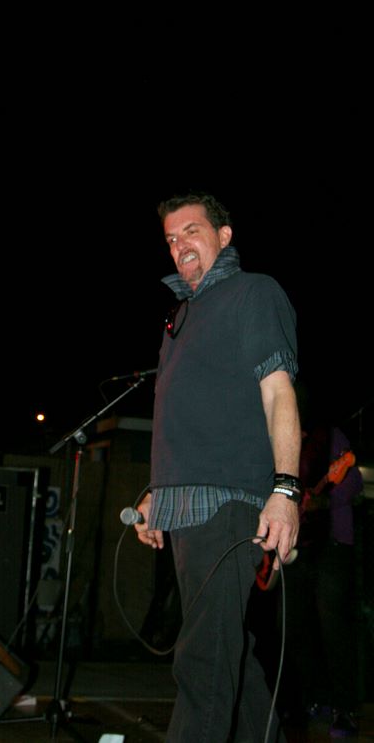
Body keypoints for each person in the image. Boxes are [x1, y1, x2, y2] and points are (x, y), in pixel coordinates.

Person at [134, 191, 302, 743]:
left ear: (223, 236)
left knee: (204, 659)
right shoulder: (180, 317)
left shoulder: (254, 292)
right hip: (183, 505)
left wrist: (286, 490)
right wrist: (155, 492)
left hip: (227, 501)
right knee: (228, 654)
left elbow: (278, 393)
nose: (179, 245)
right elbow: (181, 415)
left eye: (192, 231)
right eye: (171, 238)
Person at [278, 418, 363, 737]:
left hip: (331, 544)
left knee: (334, 627)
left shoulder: (329, 435)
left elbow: (352, 482)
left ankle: (345, 708)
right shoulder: (278, 431)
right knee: (293, 625)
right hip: (294, 546)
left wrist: (325, 501)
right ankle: (312, 698)